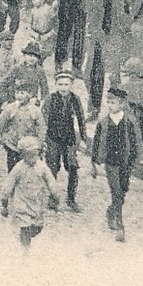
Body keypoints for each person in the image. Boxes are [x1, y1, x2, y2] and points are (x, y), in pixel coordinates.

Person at [90, 86, 143, 242]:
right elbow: (96, 142)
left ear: (121, 104)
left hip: (126, 162)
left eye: (113, 102)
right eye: (108, 102)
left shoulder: (129, 122)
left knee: (123, 189)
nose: (110, 105)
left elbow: (137, 141)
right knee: (116, 191)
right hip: (111, 162)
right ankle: (120, 226)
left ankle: (111, 210)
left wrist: (140, 158)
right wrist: (94, 161)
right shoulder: (103, 122)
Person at [0, 135, 59, 254]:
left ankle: (26, 238)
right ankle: (25, 248)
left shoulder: (42, 167)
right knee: (25, 226)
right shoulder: (19, 168)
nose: (32, 158)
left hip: (37, 203)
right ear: (22, 155)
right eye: (28, 155)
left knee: (37, 227)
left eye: (34, 154)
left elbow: (51, 181)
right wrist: (4, 201)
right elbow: (8, 184)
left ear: (38, 153)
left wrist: (55, 195)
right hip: (22, 204)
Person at [42, 70, 88, 213]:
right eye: (60, 84)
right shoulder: (50, 99)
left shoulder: (75, 99)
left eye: (66, 84)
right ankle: (52, 197)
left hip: (69, 139)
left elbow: (81, 119)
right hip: (53, 138)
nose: (63, 88)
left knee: (73, 168)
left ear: (71, 85)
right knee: (52, 167)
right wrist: (42, 139)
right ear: (55, 85)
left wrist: (84, 139)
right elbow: (43, 120)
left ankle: (71, 198)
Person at [0, 81, 44, 172]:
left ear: (30, 94)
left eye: (22, 93)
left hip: (28, 147)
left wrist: (39, 145)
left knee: (27, 170)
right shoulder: (10, 108)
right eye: (17, 93)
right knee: (12, 169)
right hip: (12, 145)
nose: (19, 96)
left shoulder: (35, 111)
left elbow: (41, 129)